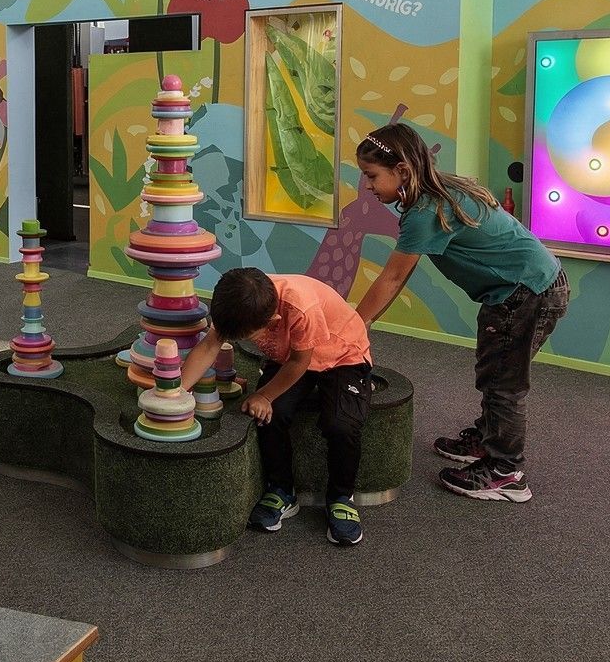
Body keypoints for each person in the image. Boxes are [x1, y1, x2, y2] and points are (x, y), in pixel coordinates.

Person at [351, 122, 569, 503]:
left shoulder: (426, 211)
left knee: (504, 382)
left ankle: (506, 471)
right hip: (525, 287)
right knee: (495, 370)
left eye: (372, 176)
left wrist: (354, 324)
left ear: (403, 171)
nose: (368, 185)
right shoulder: (440, 190)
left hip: (525, 293)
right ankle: (489, 439)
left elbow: (393, 278)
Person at [178, 267, 372, 545]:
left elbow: (300, 363)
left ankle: (341, 496)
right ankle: (281, 489)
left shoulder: (301, 307)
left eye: (248, 337)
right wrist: (177, 393)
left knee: (341, 423)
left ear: (274, 320)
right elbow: (209, 347)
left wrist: (264, 395)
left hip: (343, 355)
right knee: (270, 415)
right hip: (289, 355)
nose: (243, 340)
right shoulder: (239, 303)